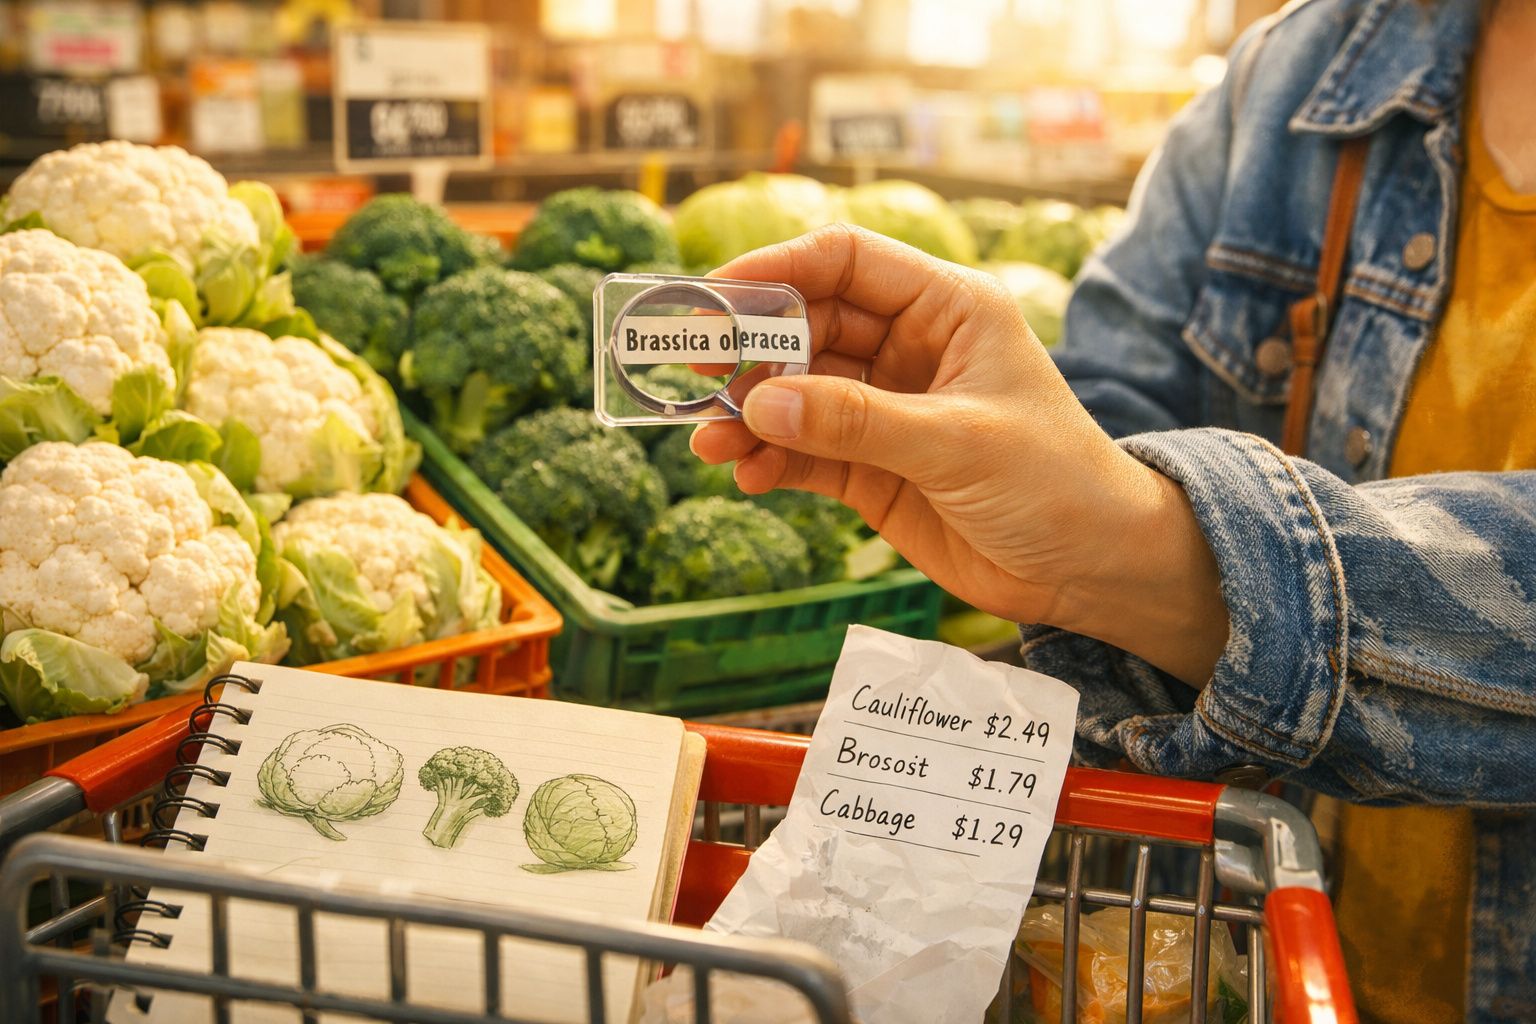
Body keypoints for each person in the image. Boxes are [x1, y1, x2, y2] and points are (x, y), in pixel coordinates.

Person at [689, 0, 1534, 1020]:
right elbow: (1109, 396)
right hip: (1232, 963)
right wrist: (1077, 513)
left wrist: (1155, 548)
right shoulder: (1292, 72)